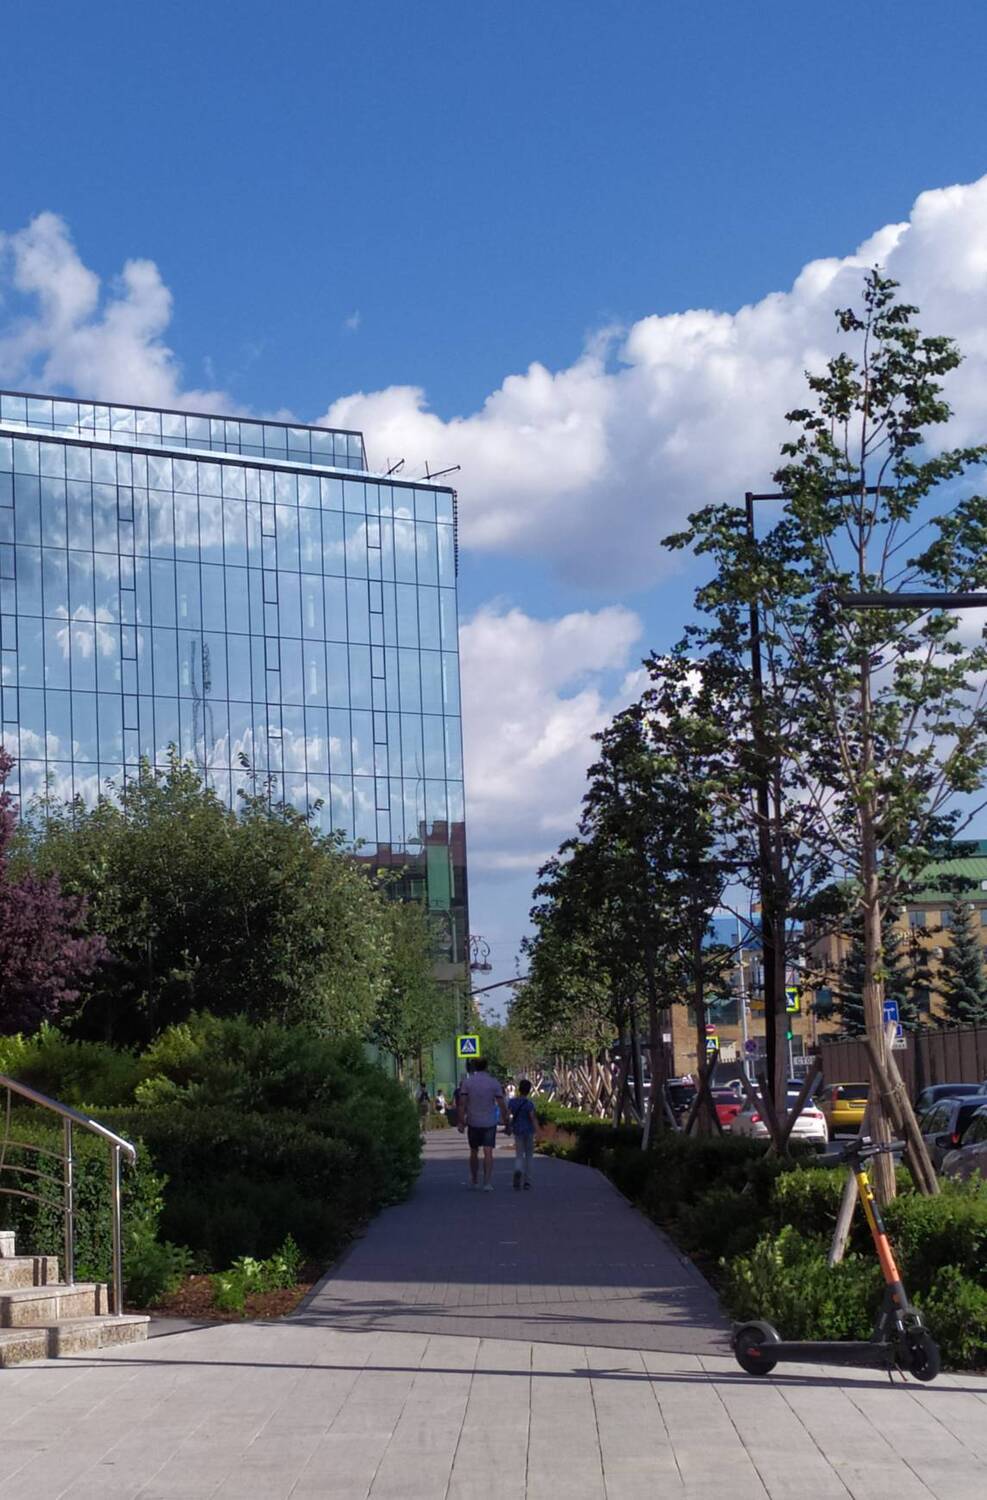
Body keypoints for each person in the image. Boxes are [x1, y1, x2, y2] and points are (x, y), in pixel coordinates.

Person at [457, 1057, 507, 1191]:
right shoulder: (493, 1083)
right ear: (486, 1066)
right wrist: (506, 1121)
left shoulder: (468, 1083)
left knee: (474, 1151)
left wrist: (461, 1121)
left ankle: (474, 1179)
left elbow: (462, 1104)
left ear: (474, 1067)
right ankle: (487, 1182)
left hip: (473, 1121)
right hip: (489, 1122)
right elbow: (501, 1104)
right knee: (488, 1151)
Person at [507, 1078, 537, 1191]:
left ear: (519, 1089)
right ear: (528, 1090)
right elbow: (532, 1118)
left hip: (518, 1131)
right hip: (529, 1131)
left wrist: (508, 1125)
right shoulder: (529, 1104)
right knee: (529, 1156)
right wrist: (538, 1130)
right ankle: (527, 1181)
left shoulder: (512, 1102)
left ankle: (518, 1169)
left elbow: (507, 1115)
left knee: (519, 1154)